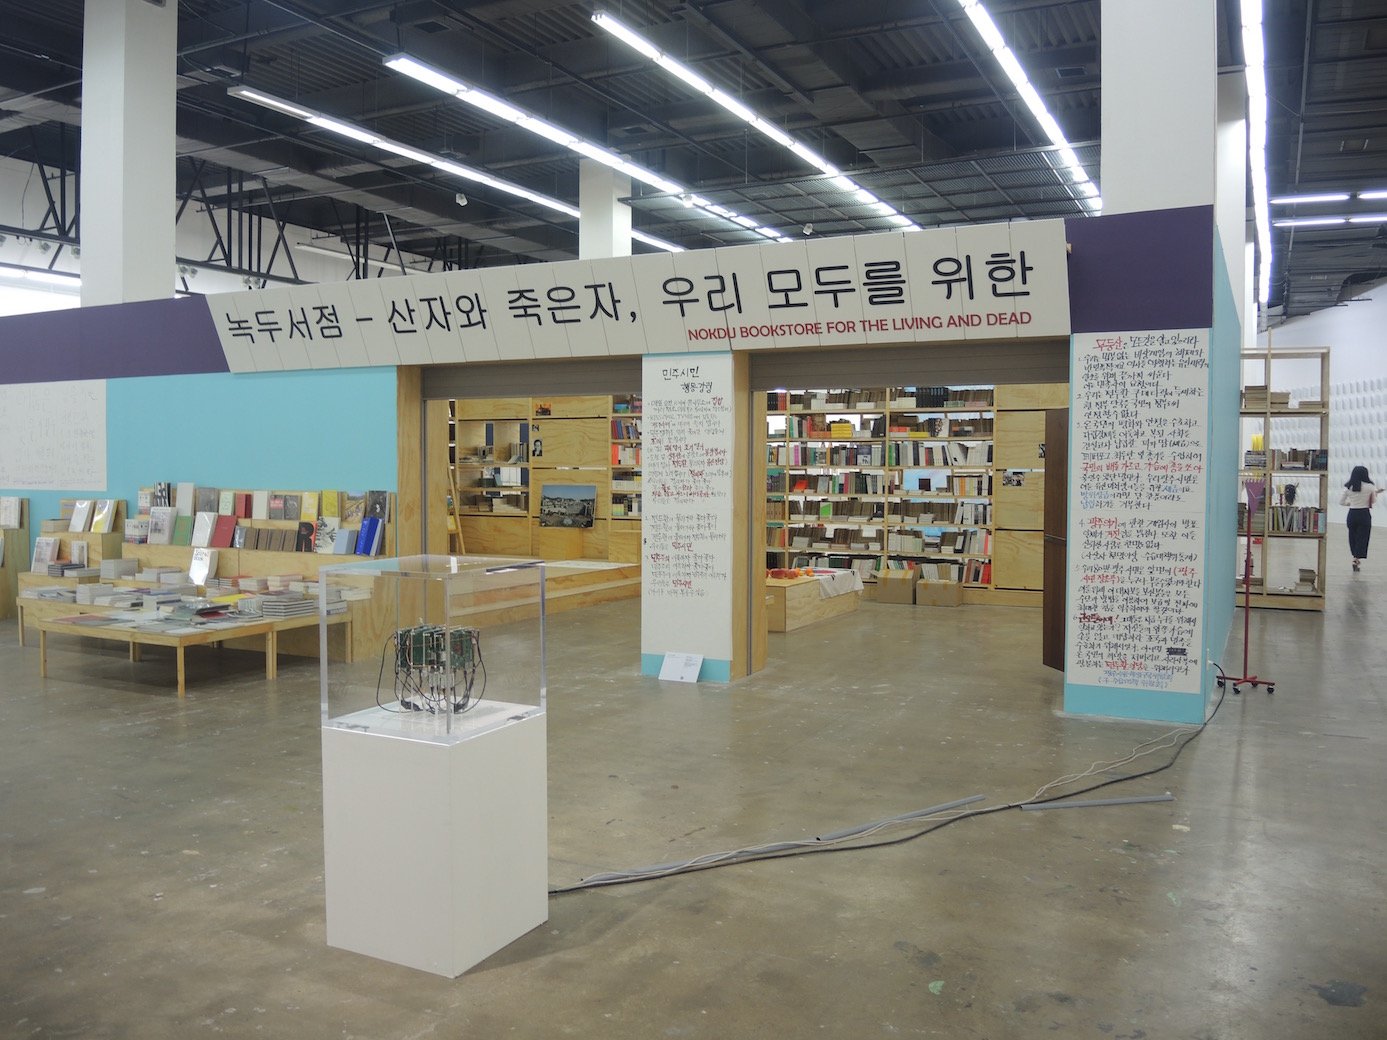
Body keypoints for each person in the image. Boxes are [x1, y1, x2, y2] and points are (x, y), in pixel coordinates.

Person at [1340, 465, 1379, 572]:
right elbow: (1374, 501)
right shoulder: (1370, 486)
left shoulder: (1348, 487)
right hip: (1364, 514)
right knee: (1362, 538)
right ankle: (1356, 559)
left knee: (1352, 536)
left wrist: (1350, 503)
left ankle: (1354, 556)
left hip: (1352, 514)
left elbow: (1341, 502)